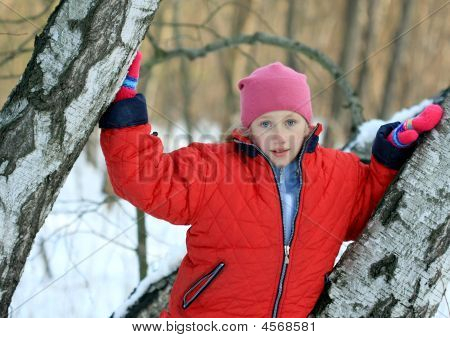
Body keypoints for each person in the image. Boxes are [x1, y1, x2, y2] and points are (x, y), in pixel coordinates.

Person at [99, 51, 443, 318]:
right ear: (248, 129)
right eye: (266, 123)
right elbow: (145, 181)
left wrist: (390, 156)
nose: (279, 135)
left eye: (290, 121)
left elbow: (370, 212)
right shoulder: (213, 167)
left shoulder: (339, 172)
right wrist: (126, 110)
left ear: (308, 126)